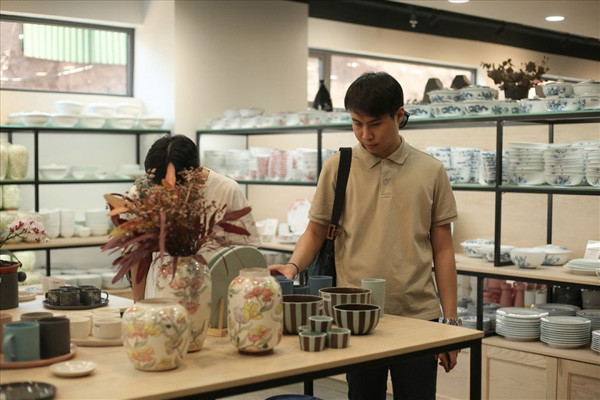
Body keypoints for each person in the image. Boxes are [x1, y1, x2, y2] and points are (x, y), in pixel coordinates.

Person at [268, 72, 460, 400]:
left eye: (375, 124)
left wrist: (450, 323)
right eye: (356, 124)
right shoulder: (337, 166)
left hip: (418, 316)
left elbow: (443, 249)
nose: (365, 135)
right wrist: (292, 266)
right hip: (353, 315)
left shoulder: (431, 170)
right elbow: (314, 232)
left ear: (399, 115)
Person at [130, 134, 261, 300]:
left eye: (176, 188)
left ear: (197, 172)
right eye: (159, 187)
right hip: (159, 293)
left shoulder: (226, 190)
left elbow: (247, 255)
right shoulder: (142, 194)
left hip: (214, 295)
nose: (168, 195)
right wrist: (139, 306)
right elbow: (138, 258)